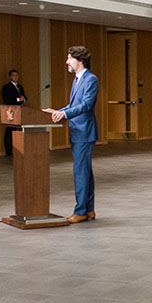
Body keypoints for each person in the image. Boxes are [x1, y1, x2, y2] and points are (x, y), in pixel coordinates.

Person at [44, 46, 98, 224]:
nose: (67, 62)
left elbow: (86, 105)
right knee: (85, 172)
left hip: (84, 132)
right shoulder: (77, 79)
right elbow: (73, 104)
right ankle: (89, 209)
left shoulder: (91, 79)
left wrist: (65, 114)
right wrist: (59, 111)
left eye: (69, 58)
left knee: (80, 172)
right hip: (77, 131)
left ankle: (80, 211)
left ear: (79, 60)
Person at [1, 69, 27, 156]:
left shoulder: (20, 87)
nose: (16, 77)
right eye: (13, 75)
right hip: (11, 111)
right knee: (10, 130)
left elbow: (24, 97)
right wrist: (18, 99)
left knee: (18, 130)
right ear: (10, 77)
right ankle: (8, 150)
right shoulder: (6, 87)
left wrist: (24, 100)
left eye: (17, 75)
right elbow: (7, 100)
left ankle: (18, 148)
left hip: (20, 110)